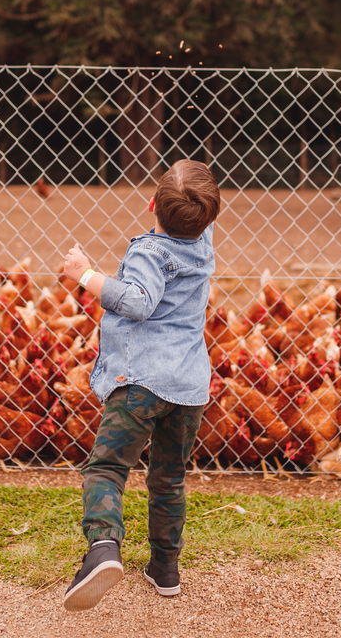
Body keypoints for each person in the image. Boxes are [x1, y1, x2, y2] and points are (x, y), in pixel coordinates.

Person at [60, 159, 221, 612]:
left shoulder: (153, 252)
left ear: (153, 204)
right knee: (168, 479)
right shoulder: (203, 243)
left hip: (142, 384)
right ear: (209, 218)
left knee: (107, 469)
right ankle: (165, 569)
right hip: (188, 388)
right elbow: (191, 219)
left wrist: (85, 274)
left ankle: (103, 550)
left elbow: (138, 301)